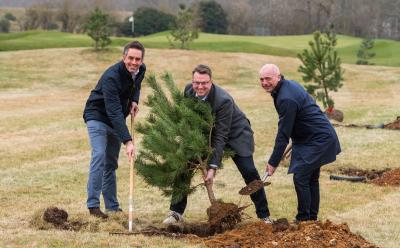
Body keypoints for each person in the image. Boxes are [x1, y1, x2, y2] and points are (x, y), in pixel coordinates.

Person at [163, 64, 272, 224]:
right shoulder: (188, 91)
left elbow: (221, 136)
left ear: (211, 81)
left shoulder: (223, 100)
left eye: (204, 83)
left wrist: (212, 167)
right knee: (184, 166)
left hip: (236, 135)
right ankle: (176, 212)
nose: (200, 86)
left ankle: (264, 215)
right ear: (192, 81)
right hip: (207, 135)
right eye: (196, 82)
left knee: (249, 171)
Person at [259, 64, 341, 222]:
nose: (264, 82)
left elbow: (283, 134)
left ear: (278, 76)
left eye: (268, 78)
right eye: (261, 79)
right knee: (310, 178)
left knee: (301, 177)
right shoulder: (288, 86)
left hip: (318, 139)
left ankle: (304, 219)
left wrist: (273, 162)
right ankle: (311, 219)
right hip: (312, 137)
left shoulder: (286, 98)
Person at [83, 41, 146, 219]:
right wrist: (127, 141)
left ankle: (112, 207)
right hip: (97, 116)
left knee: (111, 163)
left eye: (138, 59)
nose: (134, 62)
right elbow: (113, 111)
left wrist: (134, 100)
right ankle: (93, 206)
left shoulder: (141, 70)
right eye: (131, 58)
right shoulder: (112, 77)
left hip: (115, 120)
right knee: (99, 156)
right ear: (123, 57)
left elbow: (137, 85)